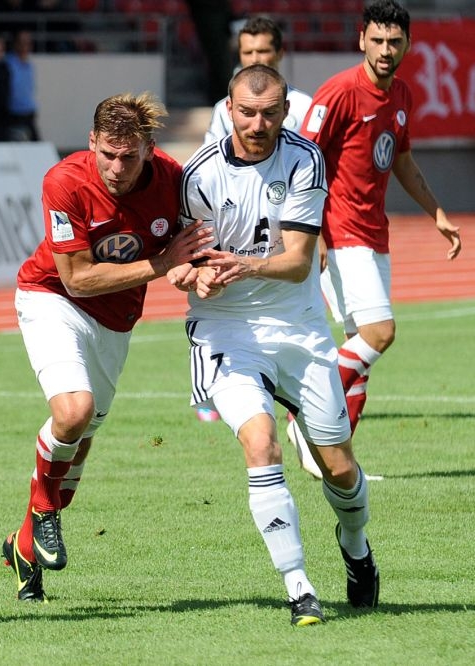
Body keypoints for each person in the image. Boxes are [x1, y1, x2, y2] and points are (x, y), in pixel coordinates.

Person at [169, 64, 380, 626]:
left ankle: (356, 546)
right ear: (229, 110)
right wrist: (195, 276)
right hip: (226, 329)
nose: (257, 124)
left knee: (339, 467)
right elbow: (187, 264)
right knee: (261, 444)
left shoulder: (304, 159)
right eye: (246, 112)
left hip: (299, 328)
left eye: (268, 113)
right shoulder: (199, 175)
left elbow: (298, 262)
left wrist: (242, 265)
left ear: (285, 111)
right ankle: (299, 588)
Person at [0, 92, 212, 602]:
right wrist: (162, 264)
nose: (116, 168)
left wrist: (195, 271)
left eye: (129, 156)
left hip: (116, 324)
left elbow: (190, 251)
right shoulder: (65, 181)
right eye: (108, 154)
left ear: (150, 148)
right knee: (73, 412)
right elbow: (77, 279)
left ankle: (22, 543)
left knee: (73, 464)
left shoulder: (174, 181)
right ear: (92, 141)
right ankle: (41, 509)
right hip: (53, 298)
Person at [300, 0, 462, 437]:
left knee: (362, 350)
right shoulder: (340, 91)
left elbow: (402, 160)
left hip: (375, 234)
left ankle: (335, 456)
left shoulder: (402, 94)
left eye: (394, 41)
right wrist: (312, 233)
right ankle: (305, 408)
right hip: (340, 232)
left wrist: (437, 214)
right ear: (361, 41)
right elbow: (304, 159)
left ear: (408, 44)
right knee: (380, 333)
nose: (385, 50)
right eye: (377, 40)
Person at [201, 16, 320, 482]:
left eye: (263, 52)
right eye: (248, 53)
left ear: (279, 54)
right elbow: (217, 173)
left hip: (301, 226)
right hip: (243, 228)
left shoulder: (305, 107)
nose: (255, 59)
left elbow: (315, 173)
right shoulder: (223, 109)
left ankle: (302, 407)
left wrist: (319, 236)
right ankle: (227, 388)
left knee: (306, 313)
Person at [5, 29, 39, 141]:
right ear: (15, 43)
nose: (25, 46)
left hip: (28, 112)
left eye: (28, 42)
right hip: (14, 113)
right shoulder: (8, 63)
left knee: (37, 145)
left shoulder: (29, 65)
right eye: (22, 42)